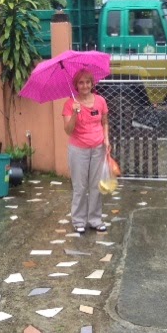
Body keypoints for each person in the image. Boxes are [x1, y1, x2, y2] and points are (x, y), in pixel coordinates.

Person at [62, 69, 110, 234]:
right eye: (81, 82)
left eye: (87, 82)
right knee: (80, 186)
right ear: (76, 85)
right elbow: (68, 130)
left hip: (98, 148)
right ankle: (79, 221)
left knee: (96, 185)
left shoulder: (100, 101)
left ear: (92, 83)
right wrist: (75, 114)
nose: (85, 85)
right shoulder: (70, 104)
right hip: (78, 150)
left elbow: (104, 122)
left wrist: (106, 139)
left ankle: (95, 220)